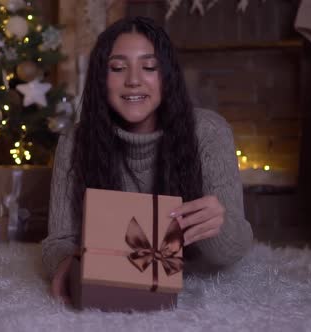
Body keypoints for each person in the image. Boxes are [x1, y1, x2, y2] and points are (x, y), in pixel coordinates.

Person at [41, 16, 253, 303]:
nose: (133, 80)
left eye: (149, 67)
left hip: (188, 295)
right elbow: (58, 241)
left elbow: (232, 251)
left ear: (167, 76)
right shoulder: (74, 142)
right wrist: (66, 265)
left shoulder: (209, 132)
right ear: (101, 80)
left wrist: (219, 226)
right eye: (117, 68)